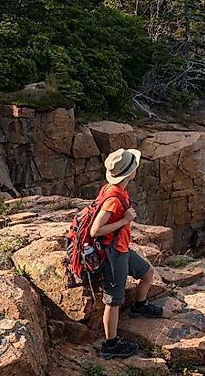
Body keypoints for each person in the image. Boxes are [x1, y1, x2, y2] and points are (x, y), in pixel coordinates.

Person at [90, 148, 163, 359]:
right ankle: (110, 345)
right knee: (113, 301)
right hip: (113, 254)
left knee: (147, 273)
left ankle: (140, 306)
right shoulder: (113, 198)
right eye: (135, 165)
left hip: (121, 248)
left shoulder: (116, 188)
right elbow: (96, 230)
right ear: (129, 173)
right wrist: (124, 220)